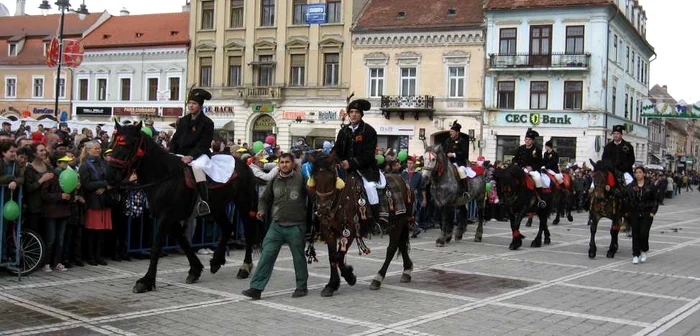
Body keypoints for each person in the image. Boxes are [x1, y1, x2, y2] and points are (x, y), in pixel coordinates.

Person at [242, 153, 308, 300]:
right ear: (278, 164)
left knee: (298, 257)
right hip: (276, 225)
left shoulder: (301, 178)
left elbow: (313, 194)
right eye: (282, 162)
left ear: (292, 164)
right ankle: (256, 288)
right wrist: (261, 210)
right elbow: (264, 199)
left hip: (296, 225)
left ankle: (301, 287)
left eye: (287, 162)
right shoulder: (274, 180)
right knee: (267, 255)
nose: (284, 165)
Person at [331, 99, 382, 223]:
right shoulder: (343, 131)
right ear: (348, 114)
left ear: (361, 114)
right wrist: (329, 158)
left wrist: (351, 163)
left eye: (357, 112)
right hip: (344, 170)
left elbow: (369, 155)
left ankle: (375, 218)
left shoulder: (369, 131)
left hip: (365, 170)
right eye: (351, 112)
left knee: (370, 187)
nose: (353, 114)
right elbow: (337, 149)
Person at [170, 88, 215, 216]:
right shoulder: (183, 120)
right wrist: (171, 153)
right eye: (189, 103)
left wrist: (191, 156)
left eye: (194, 103)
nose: (191, 105)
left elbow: (204, 144)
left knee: (197, 167)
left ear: (200, 106)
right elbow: (176, 139)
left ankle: (203, 201)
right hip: (182, 154)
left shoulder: (207, 123)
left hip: (199, 154)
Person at [40, 156, 75, 272]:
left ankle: (57, 262)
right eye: (63, 162)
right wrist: (59, 196)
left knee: (60, 240)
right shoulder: (51, 176)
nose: (65, 165)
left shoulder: (69, 175)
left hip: (64, 212)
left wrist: (70, 197)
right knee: (51, 239)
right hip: (51, 212)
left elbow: (71, 192)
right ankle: (46, 263)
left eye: (67, 162)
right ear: (58, 163)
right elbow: (44, 195)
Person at [626, 166, 658, 264]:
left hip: (647, 212)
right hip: (634, 212)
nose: (638, 174)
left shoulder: (650, 185)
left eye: (640, 172)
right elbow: (628, 200)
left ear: (644, 174)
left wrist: (653, 211)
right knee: (635, 233)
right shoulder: (631, 186)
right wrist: (627, 212)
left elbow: (656, 199)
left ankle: (644, 250)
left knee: (644, 233)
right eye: (636, 172)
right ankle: (635, 254)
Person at [512, 129, 546, 207]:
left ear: (533, 141)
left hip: (531, 170)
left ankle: (539, 198)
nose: (527, 141)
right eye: (526, 139)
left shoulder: (537, 149)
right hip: (520, 168)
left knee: (538, 178)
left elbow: (540, 162)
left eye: (529, 139)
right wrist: (515, 163)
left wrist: (532, 167)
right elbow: (515, 158)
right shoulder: (521, 148)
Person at [443, 121, 474, 197]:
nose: (450, 133)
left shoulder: (462, 141)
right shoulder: (447, 141)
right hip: (448, 162)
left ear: (457, 132)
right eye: (450, 131)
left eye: (452, 131)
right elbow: (444, 150)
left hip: (459, 162)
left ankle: (465, 190)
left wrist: (453, 154)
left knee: (461, 171)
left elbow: (464, 153)